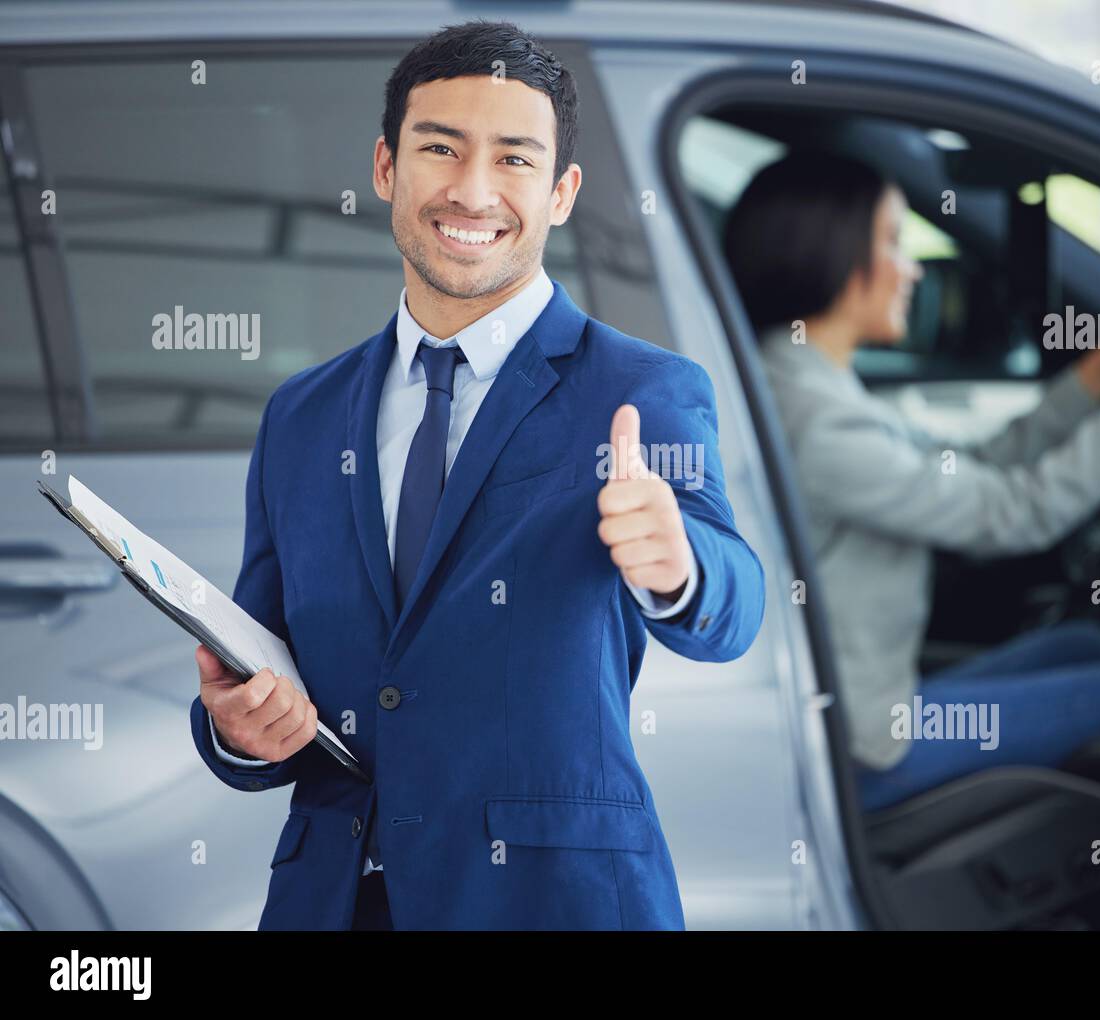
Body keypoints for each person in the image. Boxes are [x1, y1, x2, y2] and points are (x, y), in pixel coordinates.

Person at [189, 20, 765, 931]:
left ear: (562, 192)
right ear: (386, 168)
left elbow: (737, 609)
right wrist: (238, 729)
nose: (471, 190)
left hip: (549, 903)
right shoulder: (300, 416)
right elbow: (258, 660)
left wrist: (677, 565)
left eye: (514, 159)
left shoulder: (641, 389)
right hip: (335, 902)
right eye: (440, 149)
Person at [726, 150, 1100, 928]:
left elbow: (969, 471)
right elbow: (1012, 515)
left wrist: (1098, 377)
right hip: (864, 750)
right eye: (893, 243)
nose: (914, 269)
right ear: (832, 255)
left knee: (1092, 645)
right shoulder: (817, 416)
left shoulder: (801, 377)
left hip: (859, 707)